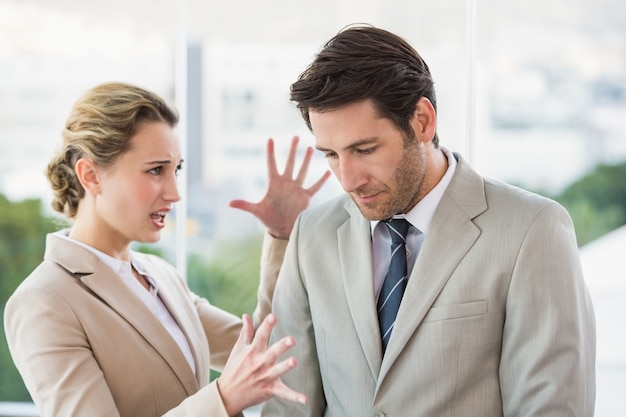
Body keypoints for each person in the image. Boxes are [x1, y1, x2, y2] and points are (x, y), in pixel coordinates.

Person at [261, 25, 596, 417]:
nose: (348, 180)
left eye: (364, 149)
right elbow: (287, 408)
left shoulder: (532, 230)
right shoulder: (311, 236)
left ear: (422, 120)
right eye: (331, 155)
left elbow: (551, 408)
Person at [3, 82, 329, 417]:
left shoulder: (160, 276)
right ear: (91, 175)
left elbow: (261, 348)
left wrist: (280, 235)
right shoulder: (43, 303)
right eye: (156, 170)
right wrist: (223, 399)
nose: (174, 193)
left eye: (177, 170)